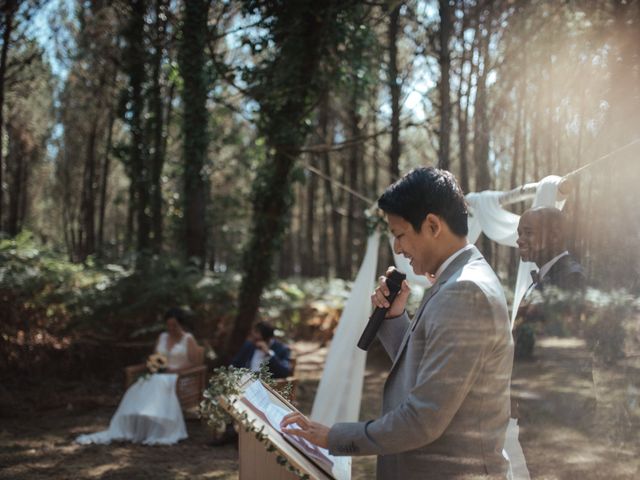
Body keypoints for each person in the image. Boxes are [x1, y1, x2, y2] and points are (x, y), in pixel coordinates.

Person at [280, 167, 514, 479]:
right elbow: (429, 369)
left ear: (432, 225)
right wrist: (393, 319)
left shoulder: (464, 291)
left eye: (400, 234)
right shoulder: (456, 280)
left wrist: (332, 436)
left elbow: (424, 418)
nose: (397, 249)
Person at [76, 308, 201, 445]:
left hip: (179, 378)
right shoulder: (163, 337)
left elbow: (195, 363)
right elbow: (155, 358)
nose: (171, 328)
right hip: (159, 375)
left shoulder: (188, 339)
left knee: (158, 382)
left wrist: (175, 370)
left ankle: (161, 428)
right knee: (143, 382)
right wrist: (155, 366)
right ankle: (138, 423)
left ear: (181, 324)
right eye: (168, 325)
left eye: (174, 325)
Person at [514, 207, 586, 359]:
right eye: (519, 233)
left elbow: (561, 343)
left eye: (528, 233)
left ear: (554, 236)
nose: (519, 240)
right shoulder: (542, 277)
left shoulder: (571, 276)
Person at [211, 321, 292, 447]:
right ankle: (230, 432)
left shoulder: (281, 349)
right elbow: (235, 363)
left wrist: (269, 354)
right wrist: (232, 374)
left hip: (268, 389)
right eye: (253, 336)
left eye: (257, 336)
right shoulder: (249, 346)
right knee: (224, 391)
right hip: (245, 383)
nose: (253, 339)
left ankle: (247, 437)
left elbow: (285, 371)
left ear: (267, 338)